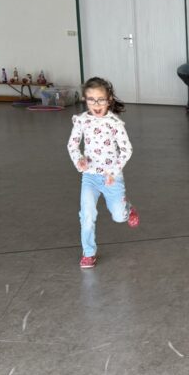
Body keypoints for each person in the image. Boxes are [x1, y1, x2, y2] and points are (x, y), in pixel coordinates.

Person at [67, 77, 140, 270]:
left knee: (119, 216)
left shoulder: (114, 123)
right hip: (90, 177)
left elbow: (126, 150)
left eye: (101, 99)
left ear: (109, 100)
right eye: (91, 99)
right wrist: (79, 160)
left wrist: (114, 171)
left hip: (111, 177)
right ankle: (88, 253)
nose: (96, 104)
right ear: (85, 100)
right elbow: (72, 145)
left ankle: (127, 208)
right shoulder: (81, 121)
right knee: (87, 214)